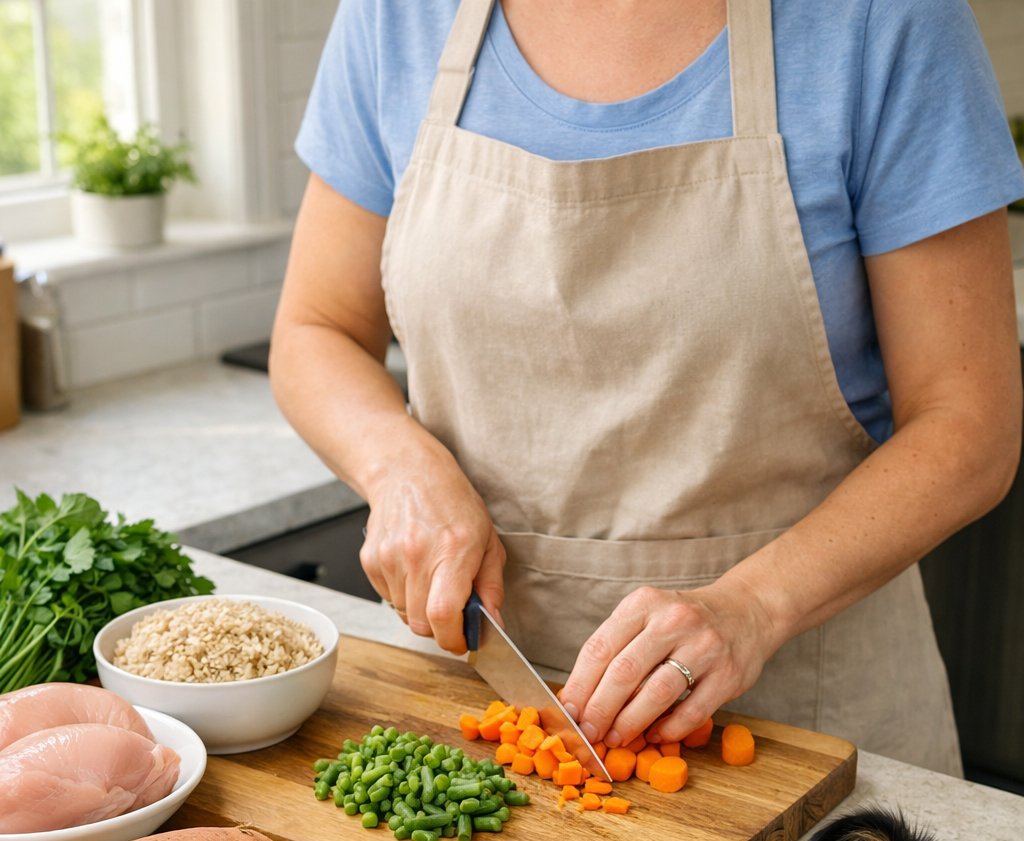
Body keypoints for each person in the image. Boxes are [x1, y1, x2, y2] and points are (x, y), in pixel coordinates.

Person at [270, 0, 1024, 773]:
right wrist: (401, 470)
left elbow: (970, 425)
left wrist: (755, 607)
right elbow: (315, 329)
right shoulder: (395, 17)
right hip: (478, 713)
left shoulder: (887, 21)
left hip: (813, 723)